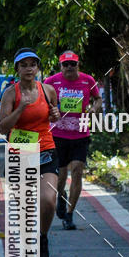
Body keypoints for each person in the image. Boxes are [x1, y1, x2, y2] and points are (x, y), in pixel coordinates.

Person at [0, 48, 60, 257]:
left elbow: (54, 114)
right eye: (23, 65)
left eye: (32, 64)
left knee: (48, 200)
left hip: (45, 150)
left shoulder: (48, 90)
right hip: (20, 153)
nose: (28, 69)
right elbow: (1, 127)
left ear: (37, 68)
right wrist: (19, 109)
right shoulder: (10, 94)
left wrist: (55, 115)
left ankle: (42, 237)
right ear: (17, 69)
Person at [44, 51, 102, 229]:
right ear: (60, 66)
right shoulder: (51, 82)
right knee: (60, 177)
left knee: (77, 170)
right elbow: (42, 102)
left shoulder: (88, 81)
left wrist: (93, 109)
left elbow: (98, 99)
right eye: (65, 64)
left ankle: (69, 214)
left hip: (81, 134)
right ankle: (61, 197)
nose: (69, 67)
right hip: (58, 136)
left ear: (78, 64)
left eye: (73, 64)